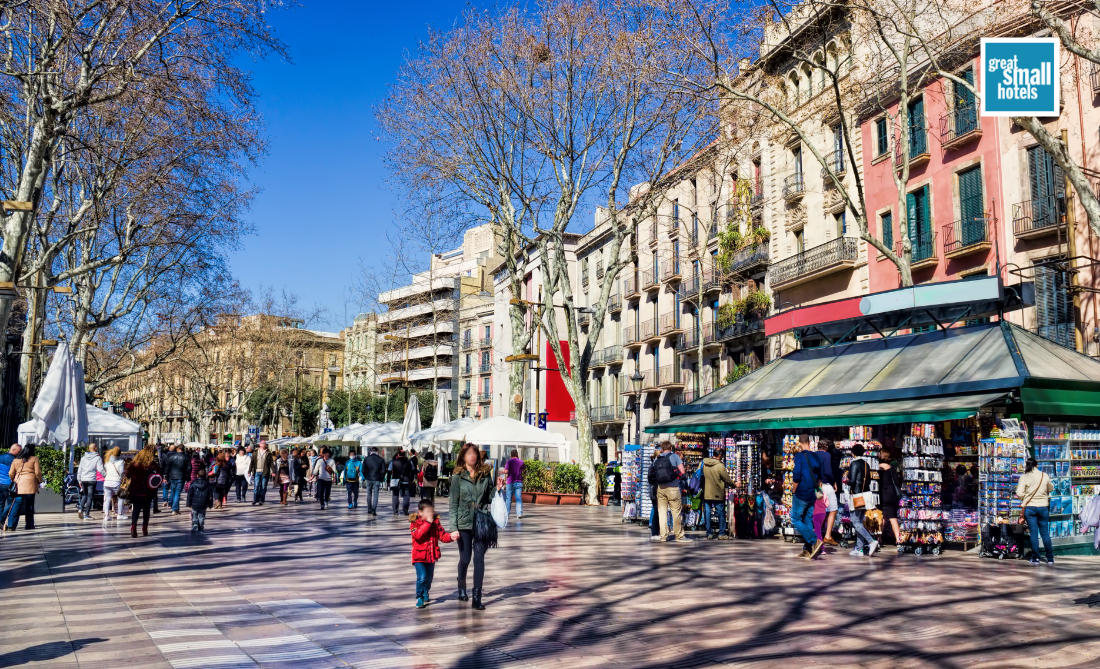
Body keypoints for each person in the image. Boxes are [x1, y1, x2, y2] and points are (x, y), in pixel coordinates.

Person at [449, 442, 502, 611]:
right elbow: (453, 504)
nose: (472, 456)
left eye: (474, 453)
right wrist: (453, 527)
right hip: (463, 522)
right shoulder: (457, 477)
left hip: (481, 521)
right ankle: (461, 587)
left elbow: (488, 498)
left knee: (479, 560)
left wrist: (498, 489)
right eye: (468, 453)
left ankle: (477, 597)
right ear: (463, 456)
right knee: (465, 559)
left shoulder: (485, 475)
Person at [410, 498, 454, 608]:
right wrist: (428, 523)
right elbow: (418, 536)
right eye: (428, 512)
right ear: (420, 513)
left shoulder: (436, 523)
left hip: (431, 556)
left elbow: (442, 535)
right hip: (419, 557)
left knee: (429, 578)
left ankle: (425, 591)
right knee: (422, 577)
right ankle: (419, 597)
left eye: (432, 511)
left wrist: (452, 537)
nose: (431, 514)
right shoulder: (415, 524)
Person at [791, 435, 824, 559]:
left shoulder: (799, 456)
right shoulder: (816, 456)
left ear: (800, 443)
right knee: (807, 520)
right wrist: (817, 489)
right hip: (813, 493)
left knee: (795, 518)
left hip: (802, 492)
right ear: (809, 442)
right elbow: (820, 476)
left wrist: (794, 490)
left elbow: (796, 475)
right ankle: (807, 550)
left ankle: (814, 540)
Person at [1017, 457, 1055, 565]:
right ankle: (1050, 558)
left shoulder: (1024, 477)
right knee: (1045, 533)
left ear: (1027, 466)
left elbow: (1019, 494)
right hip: (1043, 507)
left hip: (1030, 507)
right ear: (1037, 465)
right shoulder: (1044, 475)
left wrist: (1025, 497)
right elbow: (1050, 488)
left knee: (1033, 533)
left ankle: (1035, 558)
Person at [652, 441, 691, 543]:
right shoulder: (675, 457)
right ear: (671, 448)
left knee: (662, 513)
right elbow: (682, 472)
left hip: (660, 488)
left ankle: (663, 536)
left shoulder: (657, 458)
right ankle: (679, 536)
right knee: (676, 513)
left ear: (662, 449)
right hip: (673, 487)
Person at [846, 443, 879, 557]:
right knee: (859, 522)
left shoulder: (854, 463)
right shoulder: (866, 464)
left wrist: (846, 481)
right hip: (866, 495)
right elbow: (869, 481)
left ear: (853, 452)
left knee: (855, 522)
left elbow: (853, 481)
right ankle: (859, 549)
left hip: (857, 496)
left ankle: (871, 541)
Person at [125, 446, 161, 537]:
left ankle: (133, 527)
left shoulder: (134, 464)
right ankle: (144, 528)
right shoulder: (152, 465)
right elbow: (159, 477)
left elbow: (127, 475)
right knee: (146, 510)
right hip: (148, 491)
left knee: (136, 509)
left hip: (135, 491)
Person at [5, 444, 42, 533]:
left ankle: (11, 525)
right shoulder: (34, 459)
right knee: (29, 504)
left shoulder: (16, 460)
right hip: (31, 483)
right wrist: (39, 480)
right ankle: (29, 525)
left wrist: (14, 479)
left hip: (19, 483)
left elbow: (10, 473)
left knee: (17, 504)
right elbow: (37, 472)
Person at [813, 439, 840, 546]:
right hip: (825, 485)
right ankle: (828, 535)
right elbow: (828, 472)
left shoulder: (813, 455)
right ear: (827, 447)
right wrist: (834, 482)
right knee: (833, 510)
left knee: (818, 511)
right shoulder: (827, 455)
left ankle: (817, 534)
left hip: (815, 486)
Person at [701, 453, 734, 539]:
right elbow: (726, 479)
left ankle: (709, 533)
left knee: (707, 513)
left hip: (706, 493)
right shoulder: (720, 466)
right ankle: (721, 534)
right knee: (720, 513)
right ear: (719, 456)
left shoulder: (704, 463)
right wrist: (734, 485)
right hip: (718, 493)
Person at [75, 443, 105, 520]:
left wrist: (79, 480)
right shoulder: (97, 458)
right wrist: (106, 475)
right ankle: (87, 514)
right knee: (90, 497)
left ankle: (81, 509)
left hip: (84, 479)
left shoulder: (83, 458)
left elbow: (80, 470)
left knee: (85, 495)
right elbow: (100, 469)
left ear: (89, 449)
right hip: (91, 479)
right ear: (95, 448)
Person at [878, 459, 902, 545]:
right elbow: (896, 481)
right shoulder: (891, 468)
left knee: (882, 517)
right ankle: (898, 539)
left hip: (881, 494)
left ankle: (879, 538)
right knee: (893, 517)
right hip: (891, 494)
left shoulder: (877, 468)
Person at [163, 445, 191, 514]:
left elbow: (167, 467)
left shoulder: (172, 457)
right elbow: (189, 468)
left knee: (173, 491)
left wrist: (166, 476)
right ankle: (175, 509)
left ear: (177, 449)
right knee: (177, 493)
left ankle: (173, 505)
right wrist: (188, 477)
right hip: (181, 476)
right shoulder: (186, 457)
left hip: (172, 476)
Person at [187, 467, 215, 532]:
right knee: (202, 515)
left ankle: (195, 523)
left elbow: (190, 494)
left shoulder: (193, 483)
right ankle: (201, 527)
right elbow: (210, 495)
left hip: (194, 503)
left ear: (197, 475)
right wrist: (210, 504)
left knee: (194, 513)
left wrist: (189, 503)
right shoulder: (208, 484)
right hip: (204, 503)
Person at [102, 447, 126, 521]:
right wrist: (123, 479)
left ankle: (106, 515)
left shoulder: (107, 462)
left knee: (107, 499)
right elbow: (121, 472)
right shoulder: (121, 462)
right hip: (116, 482)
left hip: (107, 482)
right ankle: (119, 514)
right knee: (120, 498)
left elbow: (104, 471)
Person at [0, 444, 20, 528]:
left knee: (0, 503)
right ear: (15, 450)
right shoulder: (14, 460)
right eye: (19, 451)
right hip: (9, 484)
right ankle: (1, 519)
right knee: (11, 503)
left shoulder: (1, 456)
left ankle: (1, 523)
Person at [363, 446, 385, 515]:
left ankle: (369, 509)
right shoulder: (381, 459)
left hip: (369, 478)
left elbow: (363, 470)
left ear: (370, 451)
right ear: (377, 452)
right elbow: (383, 471)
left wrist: (366, 476)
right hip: (377, 479)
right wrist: (381, 478)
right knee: (376, 495)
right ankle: (373, 510)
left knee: (369, 494)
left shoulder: (366, 459)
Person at [250, 441, 273, 505]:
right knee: (256, 486)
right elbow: (252, 462)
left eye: (264, 443)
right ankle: (255, 499)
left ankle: (261, 500)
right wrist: (249, 471)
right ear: (259, 444)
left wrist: (273, 471)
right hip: (257, 471)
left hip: (265, 472)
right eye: (262, 443)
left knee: (263, 486)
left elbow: (271, 463)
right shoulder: (255, 452)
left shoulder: (268, 453)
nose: (263, 444)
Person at [390, 450, 413, 516]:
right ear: (405, 454)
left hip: (395, 480)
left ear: (398, 455)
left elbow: (389, 471)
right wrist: (411, 479)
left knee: (395, 495)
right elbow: (413, 470)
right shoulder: (409, 462)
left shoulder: (393, 462)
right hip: (406, 479)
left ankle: (395, 510)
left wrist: (388, 481)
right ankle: (405, 509)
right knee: (406, 495)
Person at [502, 450, 524, 518]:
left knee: (508, 499)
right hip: (519, 482)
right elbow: (522, 469)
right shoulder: (521, 462)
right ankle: (519, 513)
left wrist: (504, 470)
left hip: (510, 482)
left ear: (511, 455)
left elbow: (506, 471)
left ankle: (507, 514)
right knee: (518, 498)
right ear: (517, 455)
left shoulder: (509, 461)